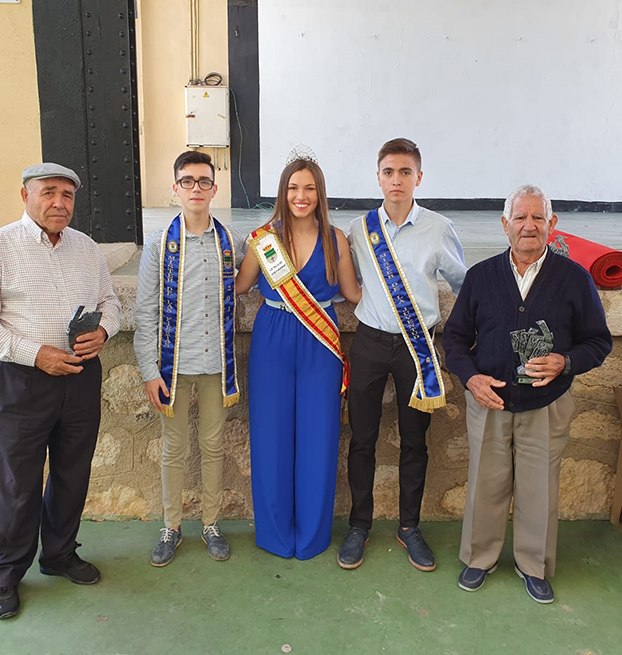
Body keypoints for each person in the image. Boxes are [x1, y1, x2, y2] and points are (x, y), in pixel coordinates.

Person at [0, 163, 121, 620]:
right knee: (19, 483)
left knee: (73, 473)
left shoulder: (86, 248)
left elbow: (110, 301)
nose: (59, 203)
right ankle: (6, 574)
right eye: (49, 192)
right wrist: (35, 354)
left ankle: (60, 554)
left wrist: (104, 331)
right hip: (24, 382)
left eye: (67, 195)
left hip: (81, 378)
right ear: (25, 195)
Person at [443, 184, 611, 603]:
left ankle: (533, 565)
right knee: (485, 484)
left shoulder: (574, 279)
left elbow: (598, 342)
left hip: (546, 404)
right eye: (520, 217)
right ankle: (479, 558)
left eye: (538, 217)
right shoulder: (481, 276)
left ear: (552, 224)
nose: (529, 225)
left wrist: (565, 362)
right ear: (505, 224)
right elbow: (456, 340)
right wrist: (472, 379)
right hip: (490, 401)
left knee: (540, 488)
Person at [338, 138, 467, 571]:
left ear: (419, 177)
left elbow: (464, 285)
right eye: (389, 172)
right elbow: (348, 282)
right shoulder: (359, 230)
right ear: (378, 177)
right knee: (362, 439)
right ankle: (359, 526)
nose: (397, 180)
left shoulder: (439, 228)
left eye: (405, 172)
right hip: (370, 343)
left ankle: (410, 526)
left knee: (415, 440)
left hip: (418, 347)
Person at [236, 156, 361, 559]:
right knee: (270, 436)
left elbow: (354, 293)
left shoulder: (336, 239)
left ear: (319, 193)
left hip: (319, 343)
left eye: (309, 188)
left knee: (318, 437)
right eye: (293, 188)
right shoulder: (263, 239)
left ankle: (311, 536)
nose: (301, 196)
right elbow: (239, 285)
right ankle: (275, 534)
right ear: (283, 192)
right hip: (272, 338)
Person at [134, 151, 246, 567]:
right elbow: (145, 310)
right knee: (174, 448)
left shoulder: (232, 242)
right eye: (187, 181)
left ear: (214, 189)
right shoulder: (158, 244)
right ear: (175, 188)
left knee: (213, 445)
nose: (195, 188)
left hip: (217, 363)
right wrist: (150, 370)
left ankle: (211, 523)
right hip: (174, 366)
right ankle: (171, 526)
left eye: (203, 181)